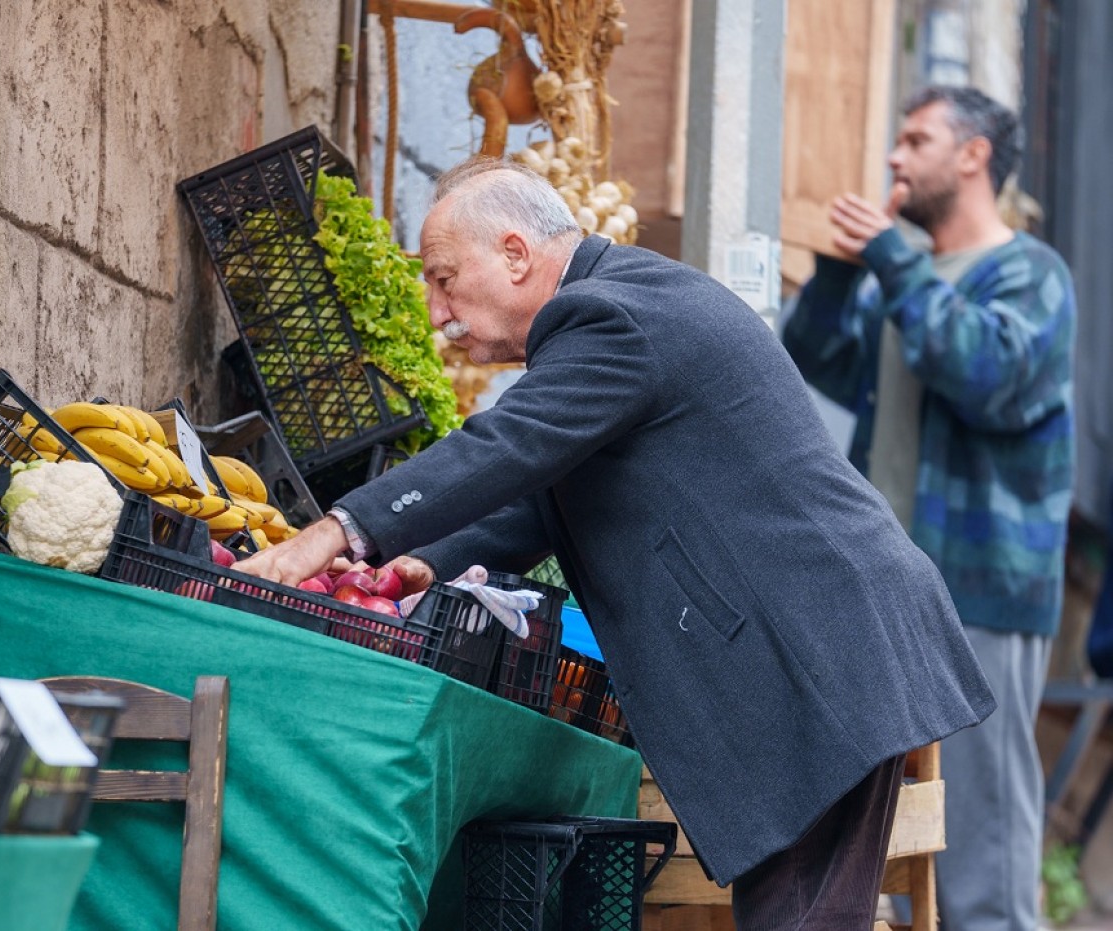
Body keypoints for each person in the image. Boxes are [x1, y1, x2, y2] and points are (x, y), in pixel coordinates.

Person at [235, 156, 996, 929]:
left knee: (800, 916)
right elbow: (542, 498)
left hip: (815, 649)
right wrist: (423, 560)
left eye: (443, 278)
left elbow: (507, 445)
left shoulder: (608, 316)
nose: (437, 310)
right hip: (823, 638)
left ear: (515, 253)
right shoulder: (621, 302)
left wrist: (338, 532)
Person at [782, 85, 1077, 931]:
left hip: (982, 589)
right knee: (886, 821)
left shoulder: (1032, 275)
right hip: (888, 589)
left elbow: (986, 377)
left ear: (974, 155)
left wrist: (892, 257)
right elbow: (818, 360)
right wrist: (843, 267)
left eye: (916, 140)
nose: (895, 158)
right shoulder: (899, 282)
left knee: (981, 827)